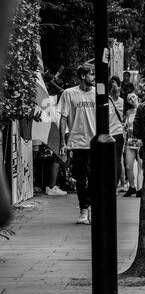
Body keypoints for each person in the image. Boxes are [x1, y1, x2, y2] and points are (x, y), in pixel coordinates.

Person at [58, 65, 97, 224]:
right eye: (91, 74)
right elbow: (63, 119)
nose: (93, 77)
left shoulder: (98, 94)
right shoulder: (69, 93)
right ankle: (83, 210)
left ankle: (91, 206)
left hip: (96, 143)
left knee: (95, 178)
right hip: (77, 143)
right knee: (81, 179)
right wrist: (63, 142)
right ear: (82, 76)